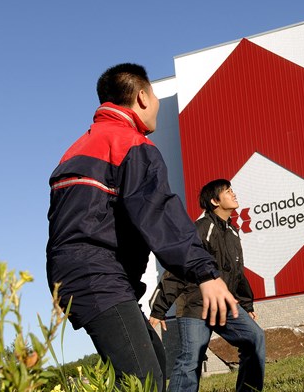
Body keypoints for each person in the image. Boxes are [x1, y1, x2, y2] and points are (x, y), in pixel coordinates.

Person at [46, 63, 239, 392]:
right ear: (142, 97)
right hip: (98, 275)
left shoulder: (76, 150)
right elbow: (157, 212)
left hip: (78, 275)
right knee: (144, 382)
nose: (157, 112)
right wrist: (204, 272)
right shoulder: (130, 144)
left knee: (156, 365)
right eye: (157, 101)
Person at [149, 179, 266, 392]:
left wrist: (247, 304)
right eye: (227, 191)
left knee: (254, 338)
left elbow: (237, 271)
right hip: (196, 304)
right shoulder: (200, 228)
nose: (233, 194)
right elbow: (177, 268)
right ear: (214, 201)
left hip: (224, 304)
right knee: (191, 359)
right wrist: (159, 308)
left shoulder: (232, 232)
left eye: (232, 190)